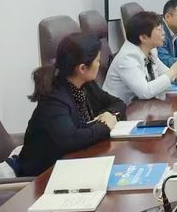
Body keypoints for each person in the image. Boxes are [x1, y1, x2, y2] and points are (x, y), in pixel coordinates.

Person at [17, 33, 125, 177]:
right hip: (44, 174)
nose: (99, 65)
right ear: (82, 68)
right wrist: (105, 126)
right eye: (97, 61)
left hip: (73, 163)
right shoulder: (53, 98)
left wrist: (109, 114)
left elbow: (118, 103)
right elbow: (70, 140)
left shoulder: (86, 85)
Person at [104, 11, 177, 104]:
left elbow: (161, 69)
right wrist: (173, 71)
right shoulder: (127, 58)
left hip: (143, 105)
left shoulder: (150, 49)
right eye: (159, 30)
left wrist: (176, 77)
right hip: (123, 109)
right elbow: (145, 92)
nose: (163, 34)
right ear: (143, 37)